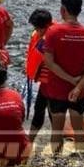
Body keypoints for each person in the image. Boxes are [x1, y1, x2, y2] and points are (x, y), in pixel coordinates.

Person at [41, 0, 84, 156]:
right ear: (79, 10)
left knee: (57, 130)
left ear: (63, 10)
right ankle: (81, 159)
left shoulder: (53, 32)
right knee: (79, 129)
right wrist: (78, 85)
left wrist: (70, 79)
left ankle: (56, 161)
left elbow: (49, 63)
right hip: (79, 92)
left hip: (56, 90)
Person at [26, 9, 54, 143]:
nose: (36, 31)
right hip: (46, 83)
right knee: (41, 109)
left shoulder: (49, 39)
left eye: (38, 28)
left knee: (48, 112)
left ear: (46, 26)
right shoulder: (44, 36)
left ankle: (31, 140)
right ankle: (30, 139)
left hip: (53, 83)